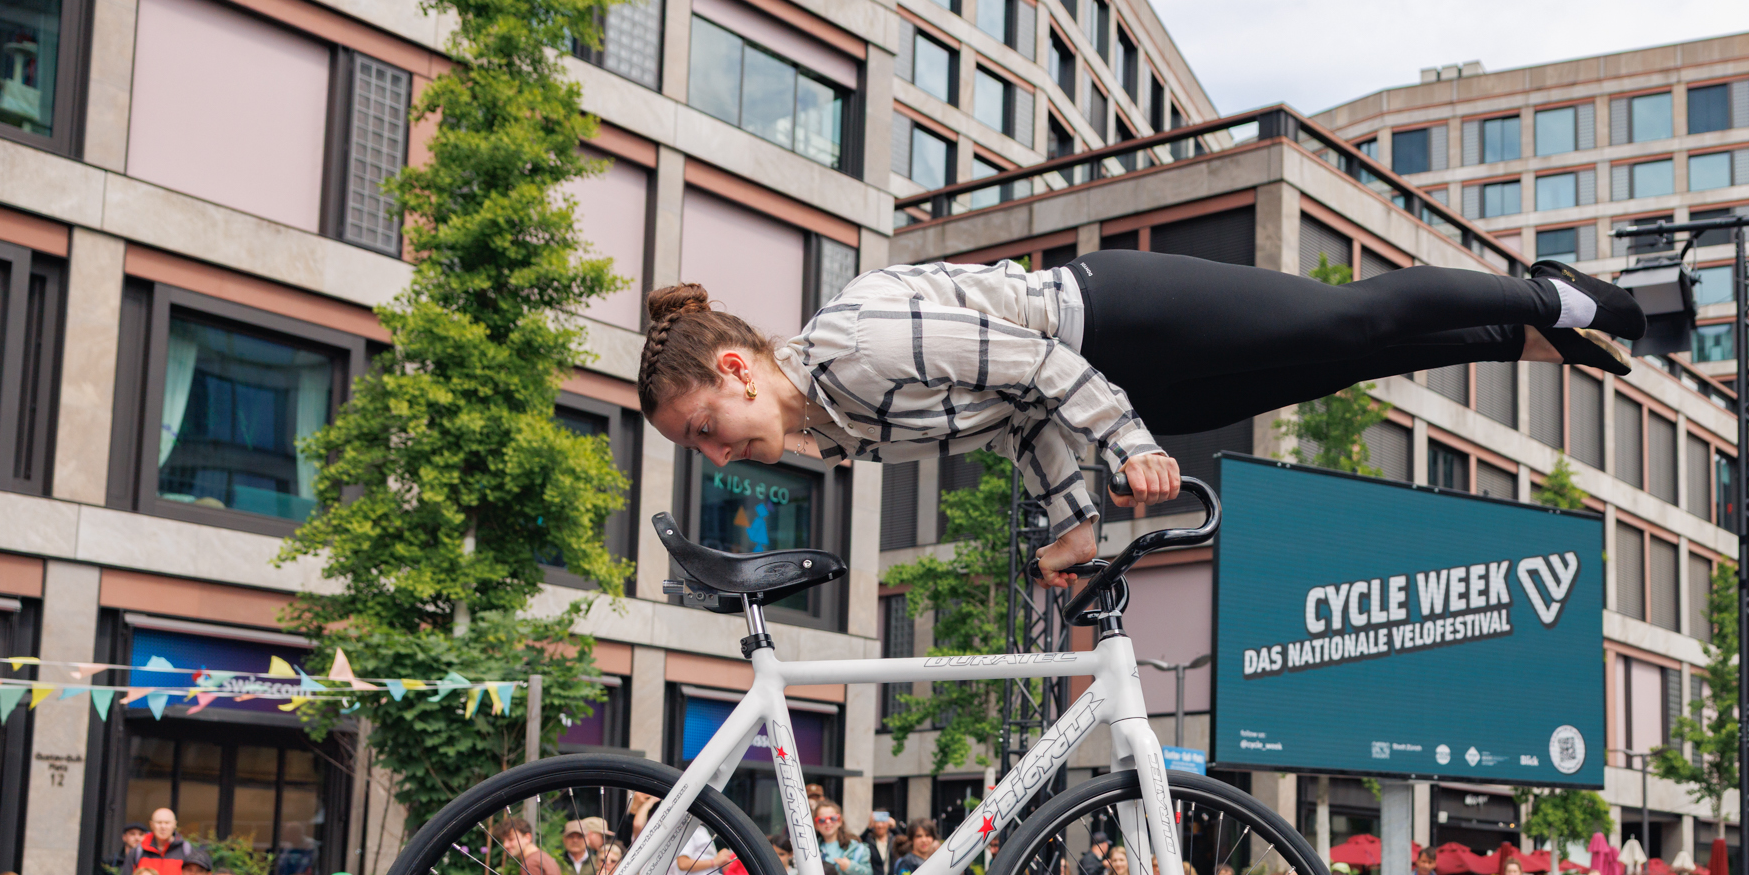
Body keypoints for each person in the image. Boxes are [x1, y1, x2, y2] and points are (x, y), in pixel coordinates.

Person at [634, 256, 1645, 588]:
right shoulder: (843, 423)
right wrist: (1073, 520)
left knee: (1348, 314)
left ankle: (1549, 295)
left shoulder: (853, 347)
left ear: (736, 367)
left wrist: (1129, 448)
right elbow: (1025, 412)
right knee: (1344, 365)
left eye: (705, 428)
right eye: (700, 449)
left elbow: (1038, 360)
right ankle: (1515, 341)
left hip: (1121, 315)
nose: (718, 457)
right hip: (1117, 382)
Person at [815, 803, 875, 875]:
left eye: (833, 818)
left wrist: (850, 867)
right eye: (822, 820)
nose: (828, 822)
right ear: (816, 825)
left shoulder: (856, 848)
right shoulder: (810, 851)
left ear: (840, 821)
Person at [133, 807, 193, 875]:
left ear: (174, 824)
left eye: (167, 823)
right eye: (159, 823)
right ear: (151, 824)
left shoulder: (186, 850)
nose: (163, 826)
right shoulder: (139, 850)